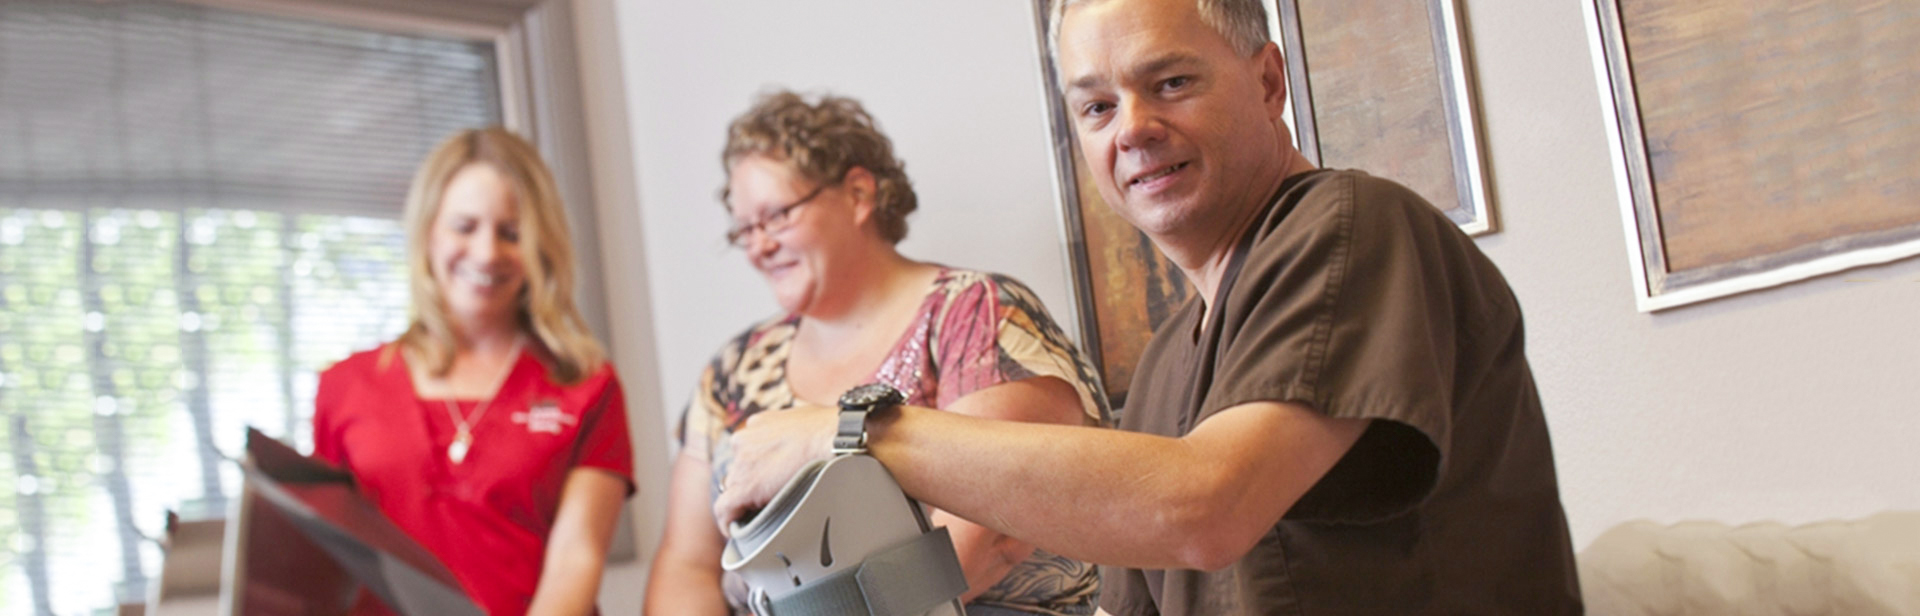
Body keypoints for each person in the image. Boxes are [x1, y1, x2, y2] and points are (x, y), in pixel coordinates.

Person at [714, 0, 1583, 613]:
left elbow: (1204, 507)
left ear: (1269, 81)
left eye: (1169, 83)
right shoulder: (1171, 364)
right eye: (1097, 105)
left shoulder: (1353, 227)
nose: (1129, 127)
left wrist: (853, 431)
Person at [643, 91, 1110, 616]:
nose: (759, 246)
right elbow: (686, 565)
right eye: (744, 230)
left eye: (776, 217)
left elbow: (994, 536)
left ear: (860, 194)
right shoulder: (730, 371)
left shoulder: (975, 315)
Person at [313, 127, 635, 616]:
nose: (487, 253)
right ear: (427, 233)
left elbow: (577, 558)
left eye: (511, 233)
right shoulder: (344, 387)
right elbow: (325, 561)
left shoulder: (586, 385)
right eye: (464, 227)